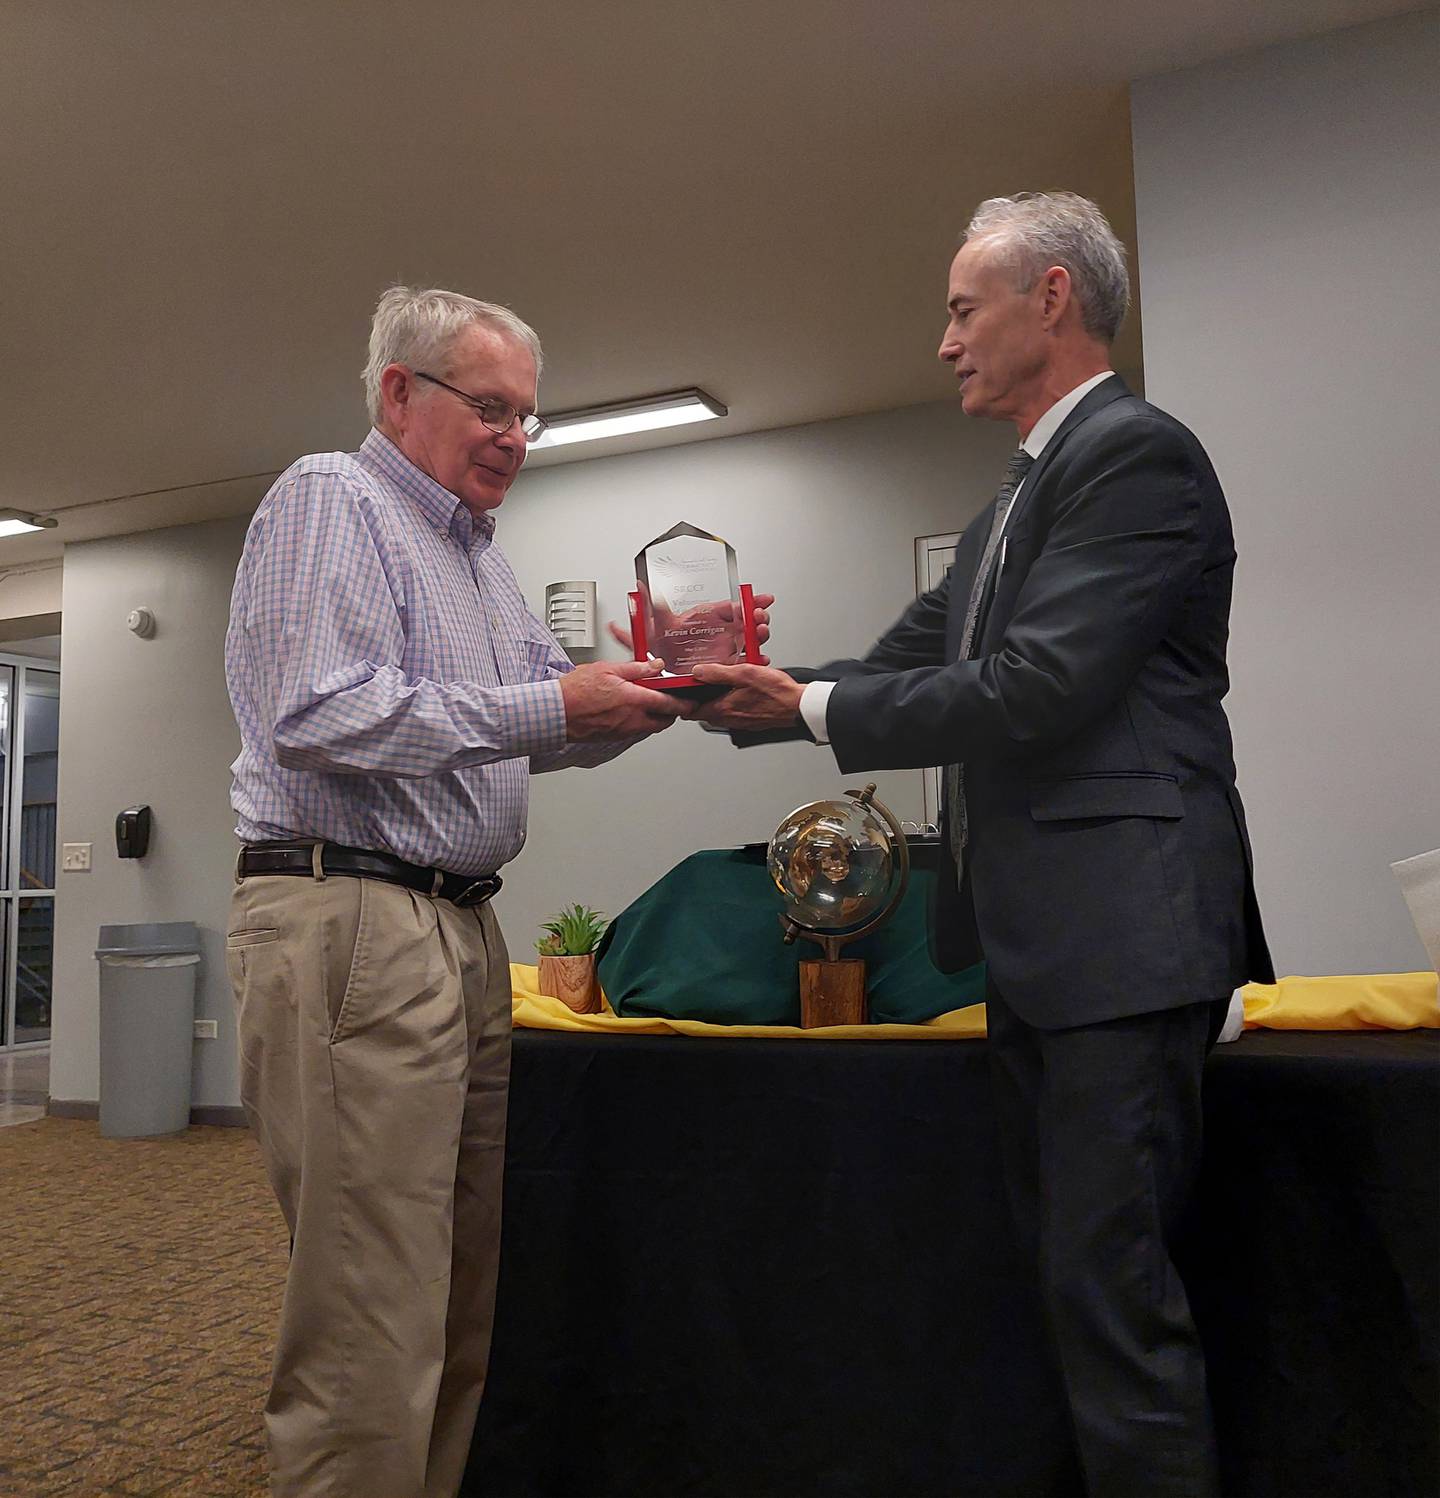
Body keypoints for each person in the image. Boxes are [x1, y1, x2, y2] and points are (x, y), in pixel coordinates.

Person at [691, 193, 1272, 1496]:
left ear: (1051, 298)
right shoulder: (1024, 491)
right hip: (1052, 950)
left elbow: (1039, 683)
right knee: (1075, 1285)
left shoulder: (1134, 456)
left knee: (1107, 1289)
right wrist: (739, 693)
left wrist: (808, 703)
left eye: (964, 309)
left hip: (1122, 943)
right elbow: (907, 661)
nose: (946, 340)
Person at [224, 286, 766, 1498]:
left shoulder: (475, 558)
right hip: (352, 916)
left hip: (458, 926)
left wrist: (669, 693)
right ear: (398, 394)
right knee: (372, 1307)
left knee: (462, 1294)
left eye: (530, 416)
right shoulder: (334, 498)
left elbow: (555, 725)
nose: (517, 437)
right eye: (492, 408)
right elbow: (311, 712)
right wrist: (555, 704)